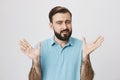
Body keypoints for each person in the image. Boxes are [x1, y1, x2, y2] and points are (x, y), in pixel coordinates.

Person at [19, 6, 104, 80]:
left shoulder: (82, 46)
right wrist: (36, 62)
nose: (65, 26)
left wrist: (86, 59)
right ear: (51, 26)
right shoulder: (40, 48)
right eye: (59, 23)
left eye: (68, 22)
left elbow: (87, 79)